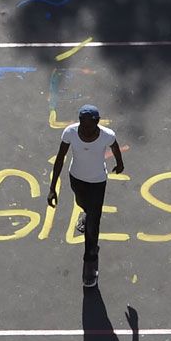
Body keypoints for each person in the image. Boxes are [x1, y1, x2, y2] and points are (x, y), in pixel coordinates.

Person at [48, 105, 124, 287]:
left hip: (98, 182)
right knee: (83, 205)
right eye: (82, 124)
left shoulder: (107, 135)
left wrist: (120, 163)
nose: (85, 129)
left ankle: (90, 260)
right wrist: (52, 188)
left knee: (93, 222)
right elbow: (60, 158)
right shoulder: (70, 132)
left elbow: (115, 146)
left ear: (97, 123)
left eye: (89, 126)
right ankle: (87, 214)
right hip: (77, 179)